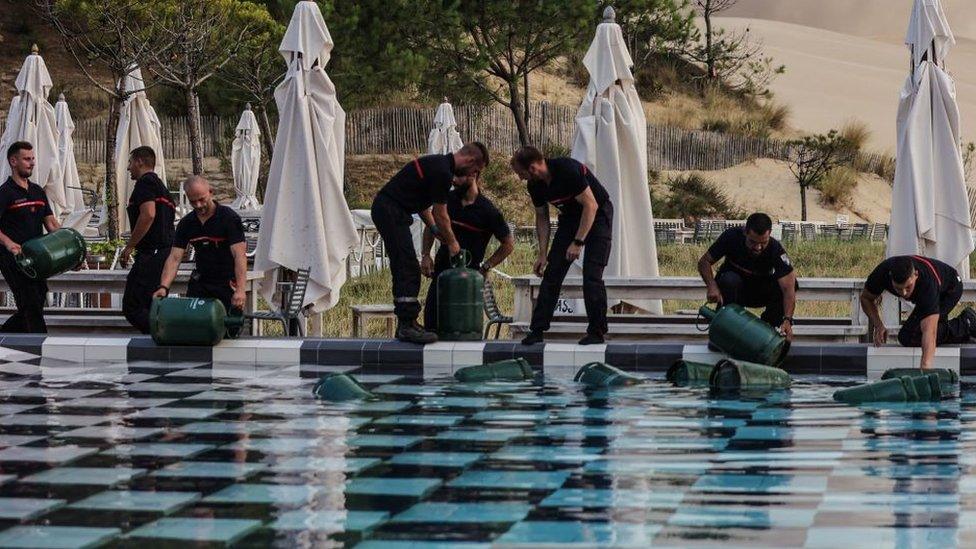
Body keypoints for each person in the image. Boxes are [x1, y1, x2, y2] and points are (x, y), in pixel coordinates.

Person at [372, 142, 489, 344]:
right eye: (475, 170)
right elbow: (441, 213)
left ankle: (408, 322)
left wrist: (434, 229)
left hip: (392, 210)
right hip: (390, 210)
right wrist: (453, 244)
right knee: (406, 266)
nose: (472, 175)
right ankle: (406, 325)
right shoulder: (443, 172)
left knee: (406, 264)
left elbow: (422, 205)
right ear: (469, 160)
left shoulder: (438, 165)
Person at [510, 146, 613, 346]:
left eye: (521, 174)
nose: (521, 179)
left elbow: (590, 206)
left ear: (532, 168)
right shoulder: (535, 186)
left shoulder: (567, 170)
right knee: (552, 273)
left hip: (598, 215)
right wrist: (542, 254)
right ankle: (537, 330)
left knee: (592, 275)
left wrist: (578, 242)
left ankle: (596, 331)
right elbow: (542, 217)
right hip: (570, 219)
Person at [420, 172, 515, 331]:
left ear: (473, 175)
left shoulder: (488, 210)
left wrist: (486, 266)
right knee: (432, 323)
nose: (454, 180)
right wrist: (425, 255)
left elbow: (508, 244)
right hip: (441, 273)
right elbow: (431, 227)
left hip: (468, 279)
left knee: (462, 328)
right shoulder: (446, 200)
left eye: (459, 176)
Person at [861, 255, 976, 369]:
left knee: (919, 333)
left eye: (908, 287)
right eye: (898, 289)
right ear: (890, 278)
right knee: (905, 337)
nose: (904, 293)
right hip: (927, 292)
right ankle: (963, 329)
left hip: (950, 288)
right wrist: (878, 325)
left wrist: (924, 370)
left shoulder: (927, 284)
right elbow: (866, 298)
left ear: (915, 275)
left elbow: (929, 332)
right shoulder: (882, 273)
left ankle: (967, 323)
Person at [697, 213, 798, 341]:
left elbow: (788, 289)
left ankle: (769, 330)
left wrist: (788, 320)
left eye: (763, 243)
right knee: (730, 280)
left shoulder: (775, 250)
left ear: (770, 234)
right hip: (733, 291)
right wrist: (711, 286)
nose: (757, 247)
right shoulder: (731, 236)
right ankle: (726, 330)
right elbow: (704, 262)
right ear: (745, 231)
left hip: (759, 292)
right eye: (753, 242)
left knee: (791, 284)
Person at [153, 176, 247, 313]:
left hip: (226, 283)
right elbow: (174, 258)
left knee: (226, 328)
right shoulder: (186, 223)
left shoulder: (229, 218)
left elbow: (239, 255)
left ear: (211, 192)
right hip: (201, 282)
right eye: (193, 201)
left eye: (202, 199)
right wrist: (163, 287)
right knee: (194, 324)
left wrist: (240, 290)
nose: (198, 205)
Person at [0, 142, 60, 333]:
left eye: (33, 158)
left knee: (37, 299)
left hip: (37, 259)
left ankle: (5, 335)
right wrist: (9, 244)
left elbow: (51, 224)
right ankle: (42, 345)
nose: (32, 163)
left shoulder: (37, 191)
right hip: (14, 260)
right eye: (27, 159)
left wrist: (67, 247)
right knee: (31, 304)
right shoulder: (5, 192)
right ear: (13, 161)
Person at [120, 146, 176, 333]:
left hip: (151, 254)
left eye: (130, 163)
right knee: (150, 304)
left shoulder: (145, 183)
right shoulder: (162, 188)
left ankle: (165, 335)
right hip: (164, 254)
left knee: (133, 306)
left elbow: (148, 214)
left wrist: (129, 246)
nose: (128, 168)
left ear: (139, 162)